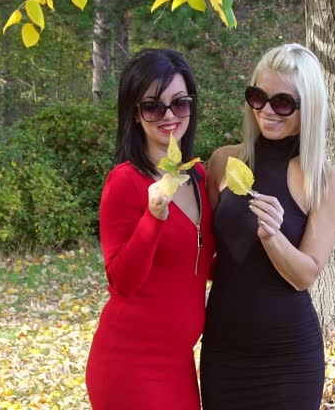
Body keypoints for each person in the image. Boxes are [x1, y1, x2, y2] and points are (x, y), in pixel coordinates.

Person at [200, 43, 335, 410]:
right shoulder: (224, 162)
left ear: (308, 107)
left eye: (283, 102)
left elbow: (305, 276)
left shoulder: (324, 181)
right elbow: (201, 250)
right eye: (258, 97)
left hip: (289, 359)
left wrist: (273, 236)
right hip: (224, 349)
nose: (267, 110)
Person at [85, 48, 215, 410]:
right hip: (129, 363)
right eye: (154, 106)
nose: (169, 116)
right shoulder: (124, 182)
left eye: (180, 103)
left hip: (179, 363)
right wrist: (153, 217)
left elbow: (204, 262)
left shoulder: (199, 178)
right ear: (135, 114)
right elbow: (121, 281)